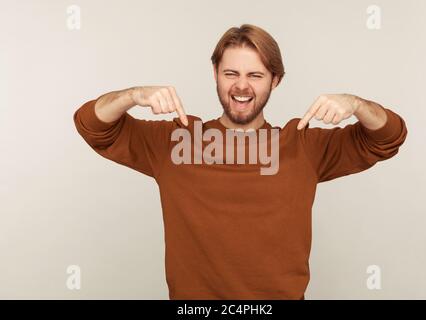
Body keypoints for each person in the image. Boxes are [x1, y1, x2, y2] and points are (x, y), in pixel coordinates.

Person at [73, 24, 408, 300]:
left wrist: (357, 104)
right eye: (231, 73)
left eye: (256, 75)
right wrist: (133, 95)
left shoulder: (302, 144)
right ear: (215, 74)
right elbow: (93, 126)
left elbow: (387, 138)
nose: (242, 86)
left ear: (276, 80)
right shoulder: (177, 140)